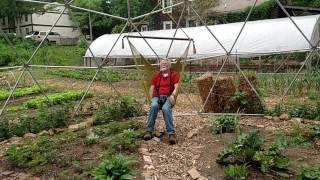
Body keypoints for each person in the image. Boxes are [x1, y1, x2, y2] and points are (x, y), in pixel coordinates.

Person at [143, 58, 180, 145]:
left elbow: (177, 86)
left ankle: (171, 134)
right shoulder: (156, 75)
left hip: (168, 97)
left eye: (166, 63)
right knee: (154, 106)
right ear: (160, 65)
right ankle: (149, 131)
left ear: (169, 66)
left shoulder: (174, 74)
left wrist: (173, 95)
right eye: (162, 63)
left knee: (166, 109)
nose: (163, 64)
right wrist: (150, 100)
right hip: (157, 97)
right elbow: (151, 88)